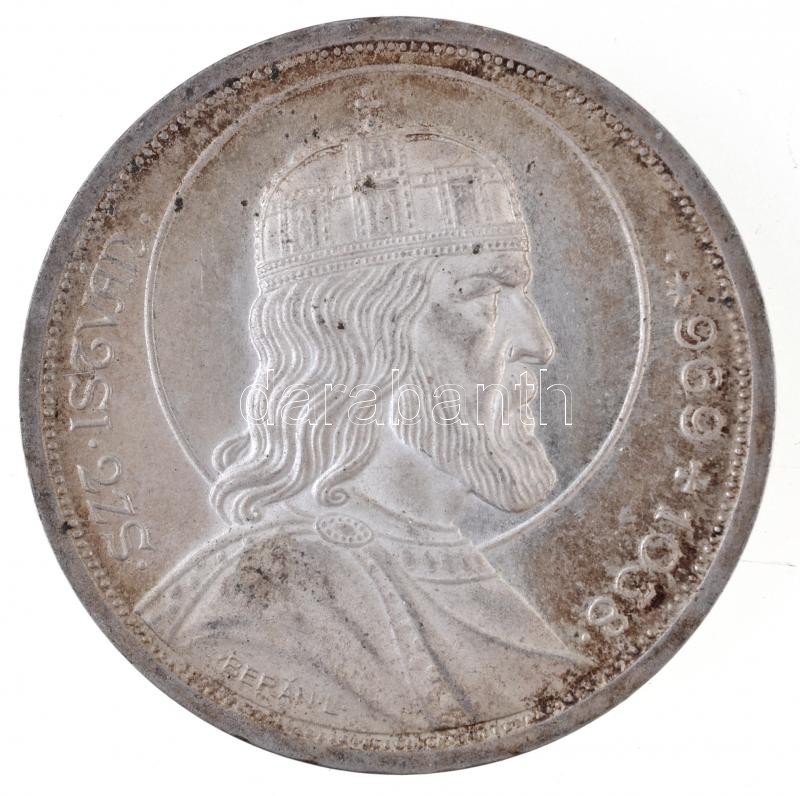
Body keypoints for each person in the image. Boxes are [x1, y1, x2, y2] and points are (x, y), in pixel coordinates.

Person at [137, 129, 586, 733]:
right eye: (480, 294)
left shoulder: (431, 557)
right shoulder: (274, 602)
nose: (538, 344)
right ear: (354, 337)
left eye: (519, 294)